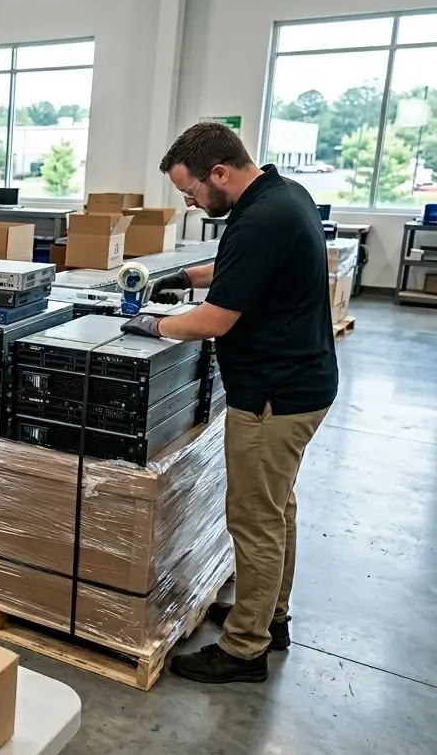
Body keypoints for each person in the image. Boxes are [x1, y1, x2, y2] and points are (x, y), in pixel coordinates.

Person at [122, 122, 338, 684]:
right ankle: (271, 616)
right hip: (302, 384)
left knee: (254, 519)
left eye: (191, 191)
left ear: (219, 172)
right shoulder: (281, 196)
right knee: (277, 508)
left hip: (275, 396)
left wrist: (156, 323)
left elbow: (216, 320)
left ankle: (245, 649)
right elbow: (240, 270)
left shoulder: (261, 218)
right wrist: (178, 278)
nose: (190, 201)